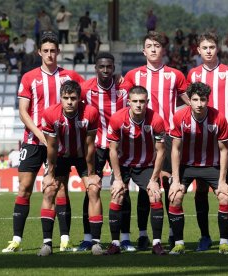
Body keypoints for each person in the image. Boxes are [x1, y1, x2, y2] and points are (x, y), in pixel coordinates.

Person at [2, 32, 84, 254]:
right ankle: (16, 240)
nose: (49, 54)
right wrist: (41, 135)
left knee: (59, 188)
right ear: (39, 52)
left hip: (60, 143)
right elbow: (23, 112)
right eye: (45, 50)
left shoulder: (70, 77)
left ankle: (65, 239)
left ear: (58, 52)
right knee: (25, 188)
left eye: (53, 50)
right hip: (33, 140)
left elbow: (90, 92)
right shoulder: (29, 77)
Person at [123, 31, 189, 250]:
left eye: (157, 45)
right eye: (149, 45)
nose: (153, 49)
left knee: (170, 184)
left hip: (169, 136)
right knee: (145, 187)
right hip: (142, 136)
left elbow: (190, 102)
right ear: (143, 50)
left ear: (163, 50)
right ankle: (143, 234)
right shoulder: (133, 75)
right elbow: (124, 102)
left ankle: (172, 233)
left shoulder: (176, 75)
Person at [187, 32, 228, 251]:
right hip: (201, 139)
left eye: (212, 47)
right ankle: (205, 236)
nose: (209, 51)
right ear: (198, 50)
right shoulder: (193, 75)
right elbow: (187, 99)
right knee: (201, 190)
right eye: (204, 47)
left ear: (218, 48)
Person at [38, 80, 101, 256]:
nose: (69, 102)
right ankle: (47, 244)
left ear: (79, 98)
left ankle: (96, 242)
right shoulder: (50, 114)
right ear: (60, 98)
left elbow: (90, 146)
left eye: (73, 98)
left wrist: (92, 174)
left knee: (94, 189)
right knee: (50, 190)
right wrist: (50, 174)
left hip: (83, 156)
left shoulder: (90, 112)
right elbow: (50, 147)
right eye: (65, 98)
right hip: (60, 156)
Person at [168, 82, 228, 255]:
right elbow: (175, 149)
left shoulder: (219, 118)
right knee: (175, 197)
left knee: (225, 197)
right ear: (189, 100)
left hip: (211, 165)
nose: (199, 104)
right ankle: (179, 244)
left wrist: (223, 181)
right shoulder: (180, 116)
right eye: (195, 99)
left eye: (202, 99)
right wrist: (175, 181)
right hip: (187, 165)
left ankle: (224, 243)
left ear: (208, 100)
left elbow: (225, 150)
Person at [106, 86, 167, 255]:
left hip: (146, 165)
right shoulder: (118, 118)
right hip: (124, 164)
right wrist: (118, 178)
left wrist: (154, 179)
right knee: (117, 194)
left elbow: (161, 151)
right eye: (135, 101)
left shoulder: (156, 119)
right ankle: (115, 243)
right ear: (128, 102)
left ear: (147, 102)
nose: (139, 105)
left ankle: (156, 243)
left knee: (155, 194)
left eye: (142, 101)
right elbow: (112, 150)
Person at [79, 52, 129, 252]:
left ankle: (124, 238)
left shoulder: (124, 88)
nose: (106, 70)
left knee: (122, 190)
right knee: (91, 190)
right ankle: (88, 237)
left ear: (114, 68)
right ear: (96, 68)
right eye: (102, 67)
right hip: (96, 146)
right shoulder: (85, 89)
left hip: (120, 146)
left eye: (109, 67)